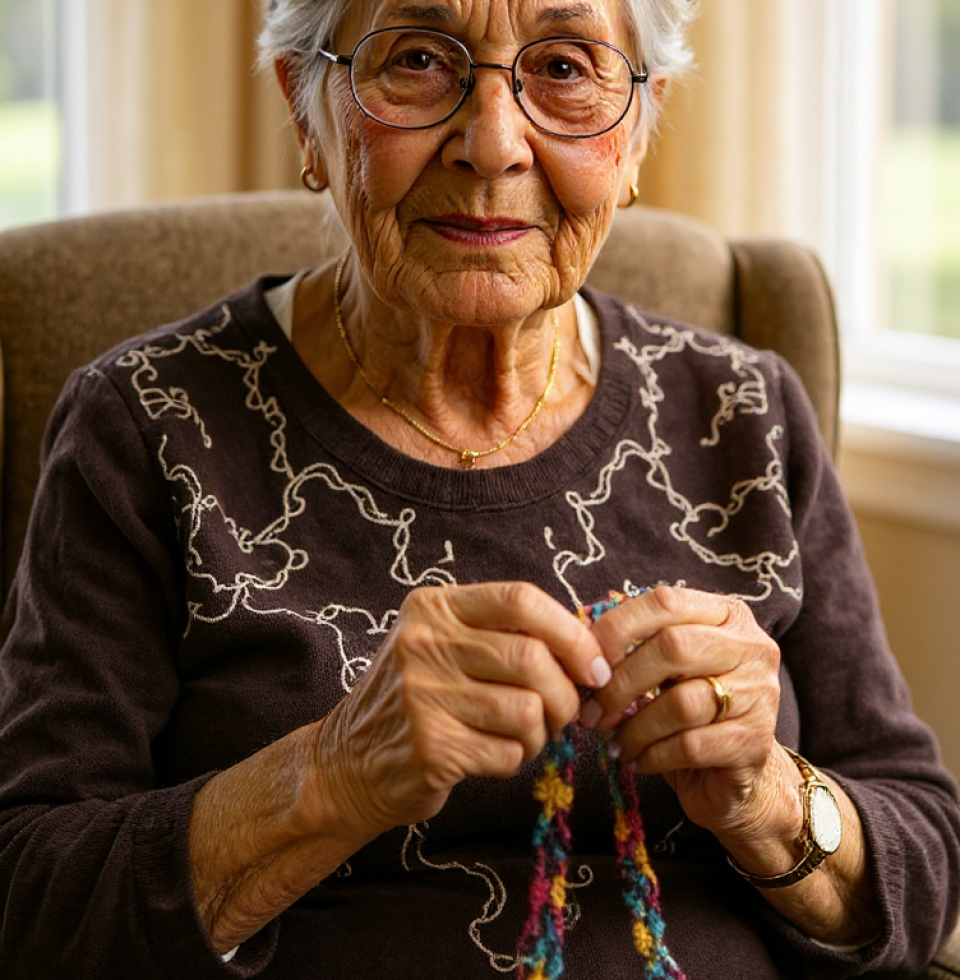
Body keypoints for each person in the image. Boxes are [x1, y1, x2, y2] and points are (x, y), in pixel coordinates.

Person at [0, 0, 958, 976]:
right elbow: (30, 896)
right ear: (305, 109)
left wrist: (769, 795)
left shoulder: (744, 412)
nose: (493, 144)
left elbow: (924, 857)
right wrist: (330, 776)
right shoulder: (148, 424)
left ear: (639, 129)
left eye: (565, 68)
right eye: (417, 59)